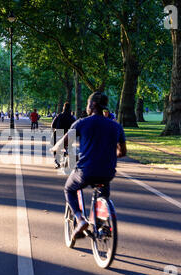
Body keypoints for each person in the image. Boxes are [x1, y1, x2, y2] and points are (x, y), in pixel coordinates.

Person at [51, 92, 127, 240]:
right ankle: (101, 224)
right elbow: (122, 152)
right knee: (103, 193)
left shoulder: (82, 123)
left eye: (88, 104)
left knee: (69, 189)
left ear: (92, 105)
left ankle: (80, 220)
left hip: (86, 171)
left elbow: (63, 143)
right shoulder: (116, 126)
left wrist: (55, 149)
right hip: (108, 171)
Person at [51, 102, 76, 168]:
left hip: (59, 132)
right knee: (68, 146)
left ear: (63, 108)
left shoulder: (59, 116)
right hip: (69, 134)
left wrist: (53, 131)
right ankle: (66, 156)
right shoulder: (72, 118)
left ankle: (56, 161)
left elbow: (53, 125)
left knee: (55, 146)